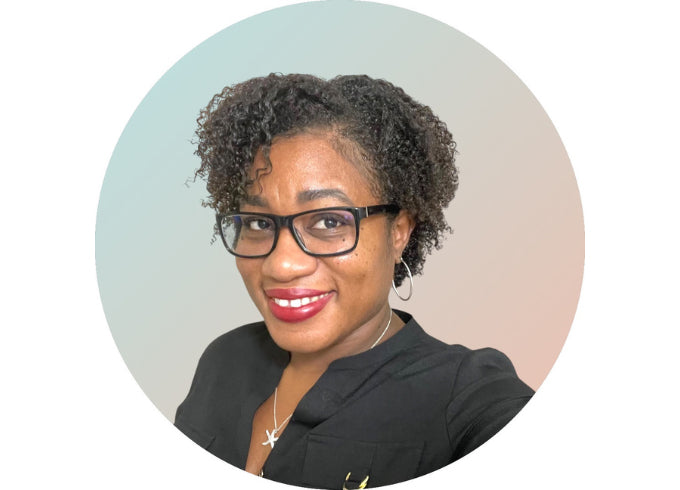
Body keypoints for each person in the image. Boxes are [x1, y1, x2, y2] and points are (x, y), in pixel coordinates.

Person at [175, 73, 534, 488]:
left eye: (329, 221)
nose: (281, 265)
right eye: (258, 222)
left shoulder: (466, 397)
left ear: (399, 232)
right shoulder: (225, 361)